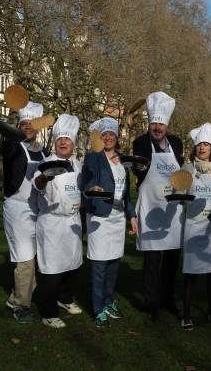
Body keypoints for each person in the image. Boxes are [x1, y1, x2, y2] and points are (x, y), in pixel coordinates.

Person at [132, 92, 184, 322]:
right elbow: (137, 167)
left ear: (167, 125)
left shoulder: (176, 143)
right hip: (150, 204)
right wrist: (138, 169)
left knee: (172, 257)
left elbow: (180, 171)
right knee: (152, 258)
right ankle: (151, 302)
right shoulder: (141, 142)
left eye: (161, 123)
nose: (157, 127)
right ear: (149, 124)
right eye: (153, 123)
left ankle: (167, 298)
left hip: (172, 210)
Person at [83, 117, 138, 328]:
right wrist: (91, 188)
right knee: (99, 264)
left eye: (111, 135)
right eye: (103, 135)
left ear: (116, 138)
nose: (107, 138)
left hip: (117, 218)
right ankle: (98, 309)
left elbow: (126, 196)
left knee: (114, 262)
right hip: (99, 216)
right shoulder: (93, 158)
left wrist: (131, 217)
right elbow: (84, 182)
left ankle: (108, 300)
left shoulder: (123, 161)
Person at [32, 114, 84, 329]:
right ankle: (48, 312)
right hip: (52, 224)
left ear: (73, 143)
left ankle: (66, 298)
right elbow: (37, 184)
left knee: (72, 266)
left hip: (73, 222)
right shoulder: (45, 163)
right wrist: (46, 176)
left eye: (68, 139)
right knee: (52, 270)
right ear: (55, 143)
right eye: (60, 139)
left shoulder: (78, 165)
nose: (64, 142)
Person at [1, 101, 48, 323]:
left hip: (37, 209)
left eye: (32, 124)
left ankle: (14, 297)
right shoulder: (13, 146)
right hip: (17, 209)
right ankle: (21, 306)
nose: (28, 127)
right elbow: (8, 144)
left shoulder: (42, 151)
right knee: (25, 259)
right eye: (24, 124)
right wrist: (12, 132)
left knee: (36, 260)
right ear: (18, 125)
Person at [180, 123, 211, 330]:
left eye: (206, 144)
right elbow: (178, 194)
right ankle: (187, 315)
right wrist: (186, 200)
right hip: (193, 225)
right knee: (191, 273)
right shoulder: (187, 168)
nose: (202, 148)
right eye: (200, 145)